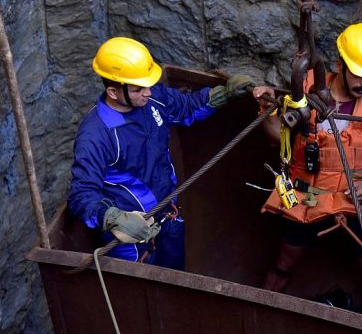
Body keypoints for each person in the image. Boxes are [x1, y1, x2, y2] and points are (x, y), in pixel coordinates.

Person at [252, 22, 362, 314]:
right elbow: (278, 137)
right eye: (360, 76)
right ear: (340, 65)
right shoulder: (306, 92)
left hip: (356, 201)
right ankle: (260, 314)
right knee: (284, 263)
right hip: (307, 196)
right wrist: (267, 110)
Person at [68, 36, 255, 270]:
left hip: (169, 215)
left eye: (147, 84)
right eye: (138, 89)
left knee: (174, 278)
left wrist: (222, 95)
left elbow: (186, 108)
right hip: (130, 238)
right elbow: (81, 194)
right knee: (140, 295)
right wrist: (112, 218)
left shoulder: (152, 98)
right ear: (113, 92)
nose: (148, 92)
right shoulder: (96, 135)